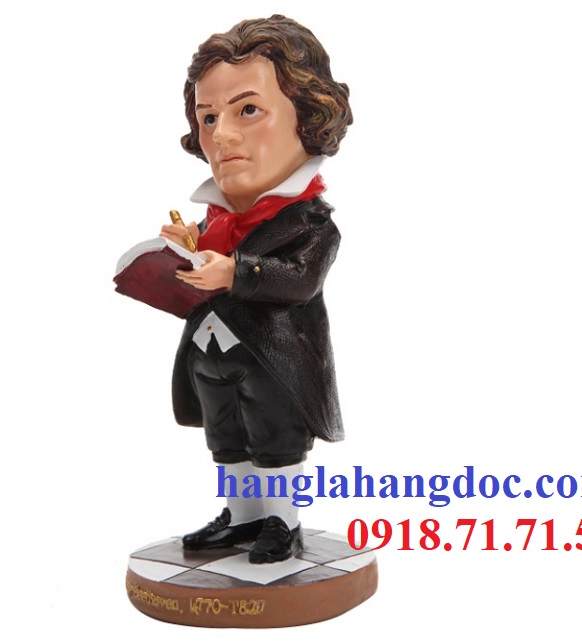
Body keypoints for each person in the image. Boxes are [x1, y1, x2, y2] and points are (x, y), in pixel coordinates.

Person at [160, 15, 352, 563]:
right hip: (211, 354)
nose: (221, 135)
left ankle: (281, 520)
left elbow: (300, 279)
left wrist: (235, 272)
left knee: (275, 442)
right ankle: (242, 515)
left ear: (308, 118)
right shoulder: (215, 220)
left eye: (247, 110)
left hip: (275, 361)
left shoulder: (311, 222)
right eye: (208, 117)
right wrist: (187, 252)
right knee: (227, 440)